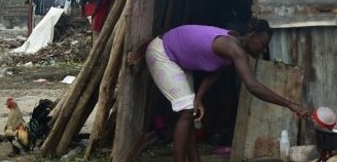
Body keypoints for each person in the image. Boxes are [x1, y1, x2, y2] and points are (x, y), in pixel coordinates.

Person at [127, 19, 309, 162]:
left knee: (190, 111)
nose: (263, 50)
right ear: (252, 37)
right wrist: (289, 104)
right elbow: (252, 86)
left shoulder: (235, 42)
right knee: (187, 112)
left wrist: (199, 97)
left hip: (177, 57)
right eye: (262, 44)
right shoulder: (233, 47)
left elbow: (216, 69)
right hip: (163, 53)